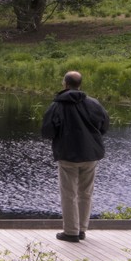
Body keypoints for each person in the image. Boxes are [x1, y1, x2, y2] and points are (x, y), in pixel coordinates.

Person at [41, 70, 110, 242]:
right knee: (85, 193)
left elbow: (47, 131)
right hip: (91, 154)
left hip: (67, 155)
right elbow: (104, 126)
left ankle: (71, 232)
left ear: (65, 84)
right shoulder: (94, 104)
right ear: (80, 84)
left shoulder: (57, 106)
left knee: (68, 193)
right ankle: (81, 230)